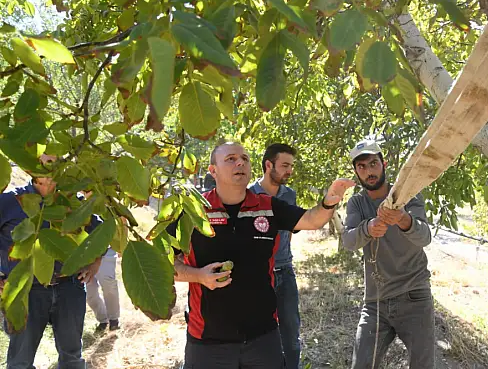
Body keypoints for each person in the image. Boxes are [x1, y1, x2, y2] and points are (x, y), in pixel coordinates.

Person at [169, 142, 355, 369]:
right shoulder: (192, 211)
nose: (240, 162)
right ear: (213, 170)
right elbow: (166, 264)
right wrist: (198, 276)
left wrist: (329, 201)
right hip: (208, 340)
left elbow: (311, 219)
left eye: (245, 159)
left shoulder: (268, 207)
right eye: (231, 159)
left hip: (262, 337)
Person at [0, 154, 103, 369]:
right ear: (31, 167)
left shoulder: (73, 201)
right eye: (43, 163)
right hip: (26, 289)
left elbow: (100, 232)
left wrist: (95, 262)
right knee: (20, 362)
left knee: (72, 359)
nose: (48, 168)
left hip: (69, 287)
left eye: (54, 163)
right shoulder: (10, 201)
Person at [341, 139, 434, 369]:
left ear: (384, 163)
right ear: (356, 172)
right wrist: (368, 228)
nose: (369, 171)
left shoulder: (407, 196)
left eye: (373, 163)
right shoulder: (356, 203)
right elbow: (348, 240)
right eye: (361, 167)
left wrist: (404, 219)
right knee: (361, 364)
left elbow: (424, 237)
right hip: (375, 302)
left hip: (414, 296)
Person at [249, 143, 300, 368]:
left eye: (291, 166)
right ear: (268, 165)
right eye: (285, 165)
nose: (289, 171)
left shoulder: (289, 195)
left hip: (285, 272)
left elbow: (291, 230)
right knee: (255, 337)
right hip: (257, 276)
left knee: (291, 338)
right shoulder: (247, 194)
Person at [86, 247, 120, 332]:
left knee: (109, 285)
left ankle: (114, 320)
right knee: (90, 292)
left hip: (105, 250)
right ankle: (103, 320)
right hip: (83, 253)